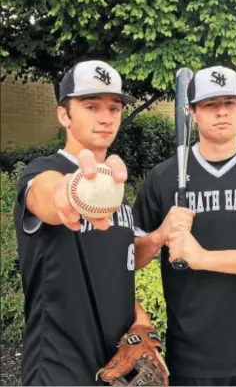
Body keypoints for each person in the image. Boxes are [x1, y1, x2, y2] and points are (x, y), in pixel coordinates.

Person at [133, 65, 236, 386]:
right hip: (192, 355)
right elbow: (131, 258)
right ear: (193, 112)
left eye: (230, 102)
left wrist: (201, 257)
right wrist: (160, 235)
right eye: (210, 104)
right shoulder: (163, 178)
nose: (221, 112)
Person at [13, 60, 158, 386]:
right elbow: (46, 195)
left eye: (114, 107)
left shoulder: (113, 188)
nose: (106, 117)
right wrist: (66, 193)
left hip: (116, 366)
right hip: (58, 368)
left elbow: (124, 260)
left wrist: (161, 237)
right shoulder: (41, 172)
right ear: (64, 114)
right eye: (91, 106)